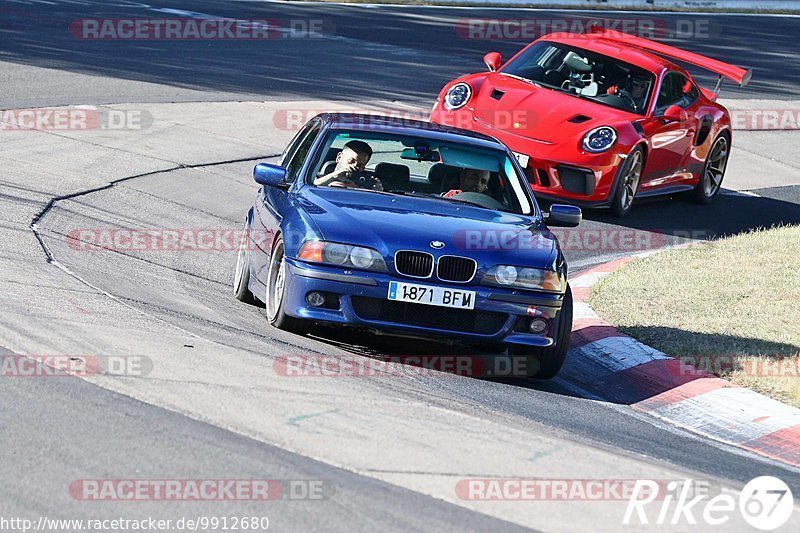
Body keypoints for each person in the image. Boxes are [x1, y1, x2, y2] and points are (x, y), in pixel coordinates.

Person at [313, 140, 383, 191]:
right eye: (351, 161)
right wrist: (334, 175)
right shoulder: (316, 178)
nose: (354, 166)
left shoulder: (364, 186)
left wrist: (376, 191)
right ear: (339, 158)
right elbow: (310, 187)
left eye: (360, 165)